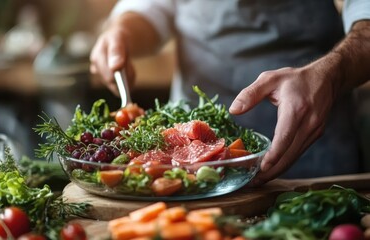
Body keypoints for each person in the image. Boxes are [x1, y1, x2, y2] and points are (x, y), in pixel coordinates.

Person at [89, 0, 370, 185]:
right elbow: (153, 7)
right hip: (186, 159)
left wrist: (331, 74)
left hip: (312, 144)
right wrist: (122, 31)